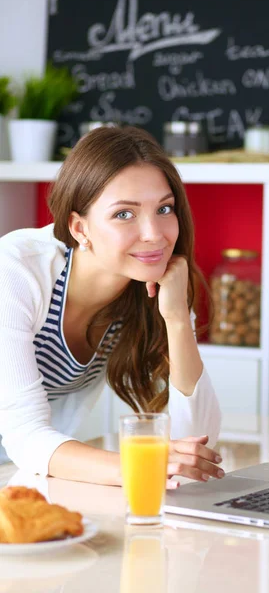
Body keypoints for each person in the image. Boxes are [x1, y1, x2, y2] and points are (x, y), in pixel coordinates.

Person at [0, 126, 222, 488]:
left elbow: (197, 442)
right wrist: (142, 464)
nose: (154, 233)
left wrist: (177, 318)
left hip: (25, 470)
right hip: (26, 459)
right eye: (124, 214)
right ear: (79, 227)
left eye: (164, 209)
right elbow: (25, 434)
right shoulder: (15, 270)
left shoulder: (155, 286)